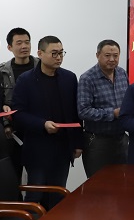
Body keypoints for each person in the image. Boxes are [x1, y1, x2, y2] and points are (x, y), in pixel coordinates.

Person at [12, 36, 84, 208]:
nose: (59, 57)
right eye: (54, 53)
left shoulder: (69, 78)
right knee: (35, 194)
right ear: (40, 53)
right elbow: (18, 114)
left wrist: (78, 143)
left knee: (57, 194)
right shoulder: (26, 80)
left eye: (61, 53)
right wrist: (42, 124)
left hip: (63, 147)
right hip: (37, 147)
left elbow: (75, 114)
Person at [78, 40, 129, 177]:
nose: (112, 59)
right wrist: (112, 113)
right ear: (97, 55)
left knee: (123, 182)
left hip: (121, 139)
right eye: (107, 55)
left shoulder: (122, 74)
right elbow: (83, 111)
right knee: (98, 184)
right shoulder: (87, 78)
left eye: (115, 55)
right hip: (98, 142)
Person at [0, 27, 36, 178]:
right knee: (13, 174)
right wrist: (6, 124)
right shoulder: (1, 71)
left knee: (38, 175)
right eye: (19, 43)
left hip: (38, 128)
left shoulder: (41, 66)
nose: (24, 46)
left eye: (27, 42)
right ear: (9, 47)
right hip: (13, 132)